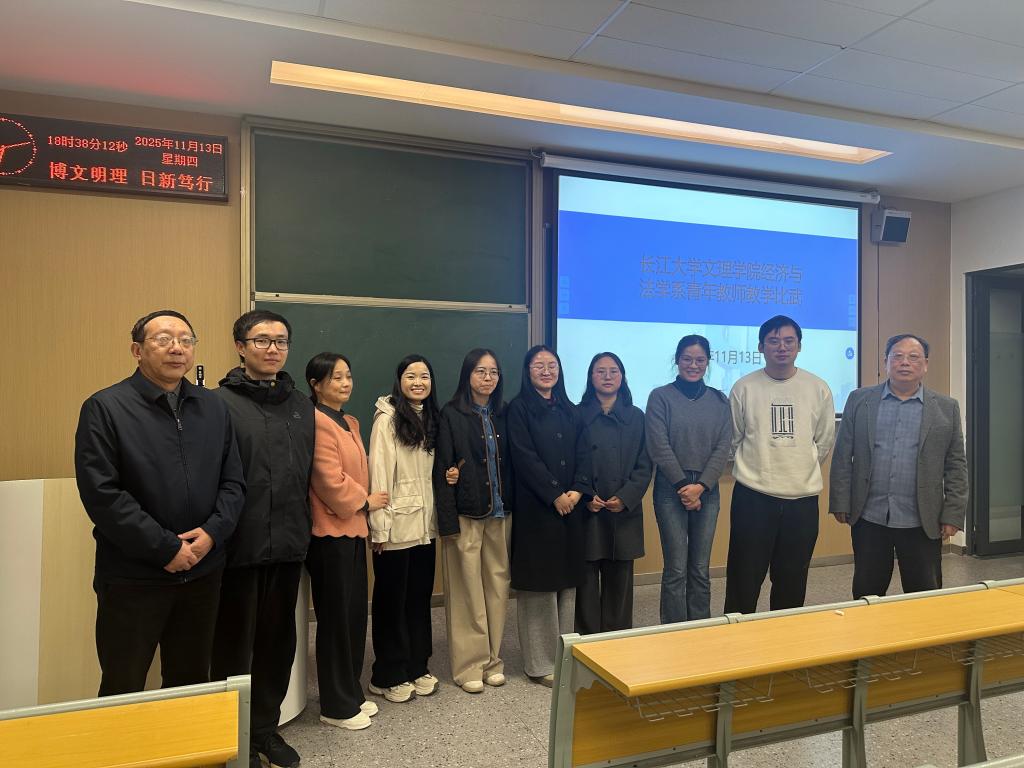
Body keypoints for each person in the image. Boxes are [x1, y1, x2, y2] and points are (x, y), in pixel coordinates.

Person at [74, 310, 245, 697]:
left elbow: (233, 481)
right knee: (124, 683)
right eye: (164, 339)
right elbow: (102, 493)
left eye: (186, 340)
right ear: (137, 350)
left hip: (203, 571)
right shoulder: (105, 407)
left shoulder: (214, 407)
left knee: (190, 683)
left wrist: (212, 534)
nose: (177, 348)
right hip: (134, 576)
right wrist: (165, 548)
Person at [210, 310, 315, 768]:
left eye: (281, 341)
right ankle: (232, 741)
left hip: (289, 544)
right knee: (233, 648)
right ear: (240, 346)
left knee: (277, 644)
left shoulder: (301, 406)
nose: (273, 349)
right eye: (262, 340)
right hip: (239, 547)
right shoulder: (217, 404)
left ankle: (264, 731)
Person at [830, 334, 968, 598]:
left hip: (922, 519)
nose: (905, 362)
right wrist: (840, 501)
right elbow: (843, 454)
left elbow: (956, 465)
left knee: (924, 595)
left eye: (913, 357)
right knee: (867, 592)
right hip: (869, 516)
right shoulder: (860, 400)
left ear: (925, 364)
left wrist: (952, 514)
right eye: (897, 356)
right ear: (885, 361)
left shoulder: (946, 408)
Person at [724, 315, 835, 614]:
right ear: (761, 347)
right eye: (773, 341)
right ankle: (737, 637)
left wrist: (798, 468)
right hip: (753, 497)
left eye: (789, 341)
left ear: (799, 346)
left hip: (802, 500)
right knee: (743, 578)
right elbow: (733, 440)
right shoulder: (743, 387)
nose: (782, 347)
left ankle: (785, 638)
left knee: (792, 580)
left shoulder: (818, 388)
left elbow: (823, 442)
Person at [305, 352, 388, 731]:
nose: (345, 383)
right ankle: (335, 705)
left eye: (348, 376)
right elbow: (328, 480)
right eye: (336, 377)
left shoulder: (349, 421)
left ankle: (351, 692)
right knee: (335, 620)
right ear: (316, 384)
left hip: (353, 530)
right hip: (329, 534)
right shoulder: (316, 421)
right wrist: (366, 501)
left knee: (354, 616)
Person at [507, 345, 593, 685]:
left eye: (552, 365)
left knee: (567, 583)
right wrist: (555, 494)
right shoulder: (518, 409)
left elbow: (585, 453)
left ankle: (563, 656)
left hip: (571, 508)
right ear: (527, 371)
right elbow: (523, 457)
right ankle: (541, 664)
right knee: (540, 586)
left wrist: (577, 491)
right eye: (538, 365)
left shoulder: (571, 409)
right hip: (537, 510)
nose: (546, 371)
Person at [434, 348, 513, 693]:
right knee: (466, 590)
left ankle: (493, 660)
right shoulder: (451, 413)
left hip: (499, 513)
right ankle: (470, 664)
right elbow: (443, 468)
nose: (488, 378)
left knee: (497, 587)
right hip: (466, 512)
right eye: (481, 371)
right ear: (468, 375)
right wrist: (447, 522)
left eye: (493, 372)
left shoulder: (503, 413)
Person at [367, 354, 441, 703]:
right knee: (390, 603)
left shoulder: (431, 418)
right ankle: (386, 674)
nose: (418, 382)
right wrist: (379, 530)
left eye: (424, 376)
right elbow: (379, 475)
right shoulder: (387, 419)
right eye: (410, 376)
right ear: (399, 381)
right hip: (395, 527)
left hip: (424, 526)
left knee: (418, 599)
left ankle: (416, 665)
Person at [645, 336, 732, 623]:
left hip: (708, 489)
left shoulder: (719, 400)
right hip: (671, 488)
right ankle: (673, 631)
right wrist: (685, 487)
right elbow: (658, 445)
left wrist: (701, 487)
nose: (693, 365)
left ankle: (700, 629)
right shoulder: (660, 397)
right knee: (676, 569)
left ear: (708, 362)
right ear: (677, 360)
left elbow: (723, 446)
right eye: (687, 359)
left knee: (700, 568)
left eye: (700, 360)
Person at [575, 352, 652, 635]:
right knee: (585, 580)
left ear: (622, 377)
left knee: (620, 580)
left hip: (623, 508)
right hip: (588, 508)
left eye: (613, 371)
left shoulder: (636, 416)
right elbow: (569, 461)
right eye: (600, 371)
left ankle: (618, 640)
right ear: (590, 377)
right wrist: (585, 496)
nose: (607, 377)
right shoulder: (577, 414)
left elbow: (645, 464)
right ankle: (586, 642)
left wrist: (627, 496)